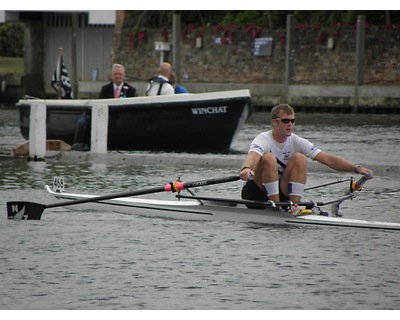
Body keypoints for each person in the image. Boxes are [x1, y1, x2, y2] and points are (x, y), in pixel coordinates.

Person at [239, 103, 374, 215]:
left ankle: (293, 207)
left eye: (293, 121)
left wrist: (357, 168)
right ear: (274, 122)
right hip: (255, 193)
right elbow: (252, 157)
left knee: (300, 158)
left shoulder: (297, 141)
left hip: (281, 192)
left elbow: (328, 160)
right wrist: (246, 168)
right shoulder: (263, 139)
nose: (290, 124)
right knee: (268, 157)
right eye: (286, 121)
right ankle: (276, 208)